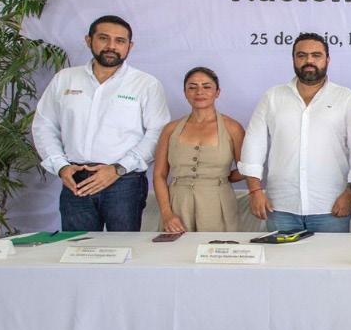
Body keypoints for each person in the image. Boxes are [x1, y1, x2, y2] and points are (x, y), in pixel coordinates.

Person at [32, 15, 170, 231]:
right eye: (104, 38)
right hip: (76, 178)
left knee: (124, 247)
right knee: (77, 246)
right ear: (89, 40)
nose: (111, 46)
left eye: (120, 41)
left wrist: (118, 169)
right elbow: (44, 125)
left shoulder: (145, 84)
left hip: (124, 181)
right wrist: (60, 166)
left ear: (130, 46)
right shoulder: (65, 79)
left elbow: (158, 133)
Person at [238, 33, 351, 232]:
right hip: (280, 206)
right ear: (293, 59)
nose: (309, 61)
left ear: (327, 59)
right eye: (302, 55)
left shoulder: (346, 98)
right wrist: (255, 191)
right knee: (281, 254)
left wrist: (350, 194)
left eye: (316, 55)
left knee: (331, 254)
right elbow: (254, 145)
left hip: (331, 206)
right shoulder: (273, 97)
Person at [151, 67, 247, 232]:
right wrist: (167, 214)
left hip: (218, 202)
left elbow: (246, 169)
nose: (199, 92)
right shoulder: (170, 129)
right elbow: (159, 175)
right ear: (185, 93)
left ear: (217, 92)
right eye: (192, 87)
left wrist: (221, 178)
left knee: (217, 246)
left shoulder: (233, 128)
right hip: (178, 204)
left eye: (207, 86)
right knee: (177, 247)